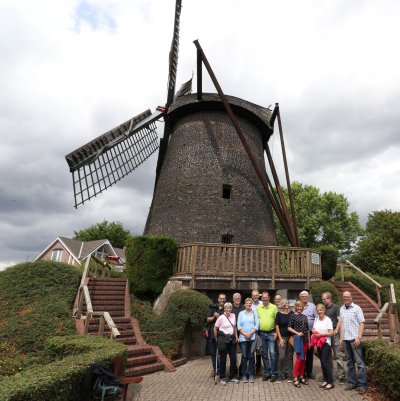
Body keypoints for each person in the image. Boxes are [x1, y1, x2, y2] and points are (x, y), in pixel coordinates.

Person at [340, 291, 367, 395]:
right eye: (344, 297)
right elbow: (342, 324)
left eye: (348, 296)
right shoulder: (342, 309)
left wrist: (359, 337)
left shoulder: (357, 308)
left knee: (360, 363)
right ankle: (352, 383)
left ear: (351, 297)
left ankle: (362, 385)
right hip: (346, 339)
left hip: (354, 340)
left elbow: (362, 323)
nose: (346, 298)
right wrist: (341, 338)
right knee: (350, 362)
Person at [322, 292, 346, 384]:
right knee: (328, 356)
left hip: (334, 334)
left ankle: (341, 376)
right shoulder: (323, 308)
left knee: (338, 355)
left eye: (325, 299)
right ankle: (329, 375)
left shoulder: (336, 307)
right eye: (323, 299)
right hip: (326, 334)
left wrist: (336, 330)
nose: (324, 301)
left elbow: (340, 320)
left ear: (329, 299)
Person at [214, 302, 239, 386]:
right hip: (223, 339)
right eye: (227, 308)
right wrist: (216, 338)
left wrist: (236, 336)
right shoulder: (221, 317)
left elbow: (234, 327)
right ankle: (222, 377)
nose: (228, 310)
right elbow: (215, 328)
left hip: (232, 339)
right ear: (224, 309)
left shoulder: (233, 315)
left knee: (233, 358)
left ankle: (232, 377)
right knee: (223, 359)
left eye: (229, 308)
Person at [312, 303, 335, 390]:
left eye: (321, 310)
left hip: (326, 343)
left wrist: (322, 334)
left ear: (324, 310)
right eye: (318, 310)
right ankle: (326, 380)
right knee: (322, 362)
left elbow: (331, 332)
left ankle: (331, 382)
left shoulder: (328, 320)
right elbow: (314, 330)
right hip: (318, 343)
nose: (319, 311)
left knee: (325, 362)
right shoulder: (316, 319)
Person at [257, 291, 278, 382]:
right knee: (264, 354)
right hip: (261, 334)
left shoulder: (274, 307)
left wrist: (276, 332)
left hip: (271, 333)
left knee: (272, 354)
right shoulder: (258, 308)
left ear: (269, 298)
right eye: (263, 298)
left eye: (266, 297)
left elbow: (277, 321)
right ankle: (267, 373)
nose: (265, 299)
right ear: (261, 299)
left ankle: (274, 373)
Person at [288, 301, 309, 388]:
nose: (299, 308)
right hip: (297, 339)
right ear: (295, 307)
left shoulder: (305, 316)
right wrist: (297, 333)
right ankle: (295, 377)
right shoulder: (293, 316)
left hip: (305, 340)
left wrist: (310, 341)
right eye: (298, 306)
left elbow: (307, 330)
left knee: (303, 359)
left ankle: (301, 376)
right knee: (299, 359)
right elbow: (289, 327)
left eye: (301, 306)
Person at [237, 297, 259, 383]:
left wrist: (250, 334)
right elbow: (239, 325)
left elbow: (257, 325)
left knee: (251, 356)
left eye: (250, 303)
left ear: (251, 305)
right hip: (243, 338)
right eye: (247, 303)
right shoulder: (241, 313)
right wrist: (245, 334)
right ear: (245, 304)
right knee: (244, 356)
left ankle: (251, 374)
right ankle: (243, 375)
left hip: (252, 338)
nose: (248, 305)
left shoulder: (254, 313)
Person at [207, 293, 226, 378]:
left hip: (221, 336)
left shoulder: (226, 310)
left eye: (223, 299)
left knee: (222, 354)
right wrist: (214, 317)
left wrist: (220, 317)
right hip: (212, 335)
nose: (222, 300)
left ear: (225, 300)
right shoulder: (213, 309)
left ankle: (222, 371)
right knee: (213, 354)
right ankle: (216, 370)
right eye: (220, 298)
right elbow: (207, 319)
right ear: (218, 299)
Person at [300, 290, 317, 379]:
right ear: (300, 297)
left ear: (307, 297)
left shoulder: (312, 306)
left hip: (310, 332)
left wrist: (314, 331)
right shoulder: (298, 305)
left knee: (310, 352)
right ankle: (302, 372)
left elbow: (317, 318)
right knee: (302, 352)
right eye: (302, 296)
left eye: (305, 296)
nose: (304, 297)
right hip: (300, 333)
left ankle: (309, 372)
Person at [275, 299, 294, 383]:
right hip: (282, 337)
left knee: (289, 357)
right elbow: (277, 327)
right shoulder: (278, 314)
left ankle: (289, 375)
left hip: (290, 337)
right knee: (281, 356)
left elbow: (294, 326)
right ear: (282, 305)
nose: (287, 304)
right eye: (285, 303)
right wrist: (280, 338)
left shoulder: (292, 314)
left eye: (288, 303)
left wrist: (293, 336)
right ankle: (280, 375)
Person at [232, 292, 244, 378]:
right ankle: (235, 372)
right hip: (232, 334)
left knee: (244, 354)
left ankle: (241, 370)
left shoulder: (244, 308)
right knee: (233, 354)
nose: (237, 299)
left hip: (243, 334)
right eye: (236, 298)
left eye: (239, 298)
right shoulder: (230, 308)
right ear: (233, 299)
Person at [251, 289, 262, 375]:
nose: (255, 297)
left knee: (259, 349)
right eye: (254, 295)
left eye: (256, 295)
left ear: (259, 296)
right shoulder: (248, 304)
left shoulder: (262, 304)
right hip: (251, 330)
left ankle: (258, 367)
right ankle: (252, 367)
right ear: (252, 296)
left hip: (260, 330)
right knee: (251, 349)